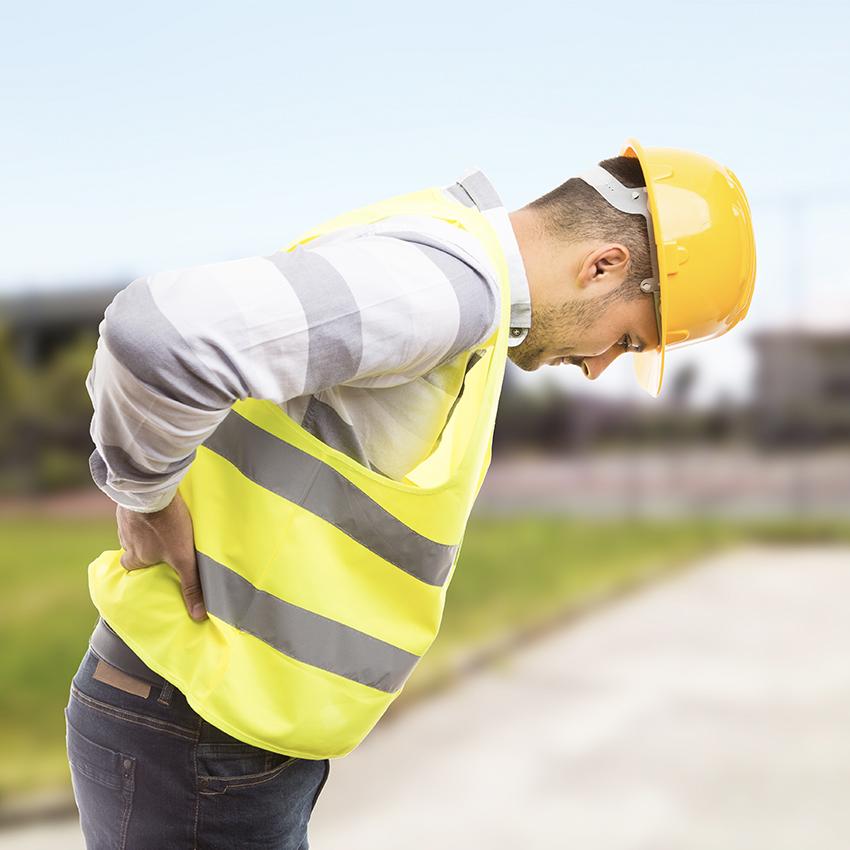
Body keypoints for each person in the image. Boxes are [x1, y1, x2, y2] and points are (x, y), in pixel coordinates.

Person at [65, 139, 755, 849]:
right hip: (196, 729)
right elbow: (157, 334)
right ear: (603, 266)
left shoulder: (456, 281)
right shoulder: (449, 288)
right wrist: (143, 495)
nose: (600, 367)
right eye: (629, 341)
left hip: (223, 733)